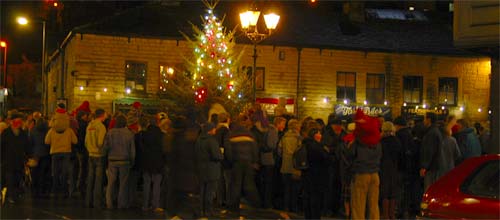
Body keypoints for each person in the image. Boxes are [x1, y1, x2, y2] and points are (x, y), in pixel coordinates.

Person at [348, 109, 382, 220]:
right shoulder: (377, 141)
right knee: (373, 206)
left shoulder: (359, 141)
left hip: (361, 173)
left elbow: (350, 154)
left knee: (358, 206)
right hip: (375, 174)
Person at [227, 116, 261, 214]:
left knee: (236, 184)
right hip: (248, 162)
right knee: (249, 184)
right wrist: (255, 161)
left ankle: (234, 206)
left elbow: (229, 151)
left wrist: (231, 161)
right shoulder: (249, 134)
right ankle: (255, 204)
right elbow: (255, 149)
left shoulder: (232, 135)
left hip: (237, 162)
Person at [104, 115, 135, 209]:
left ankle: (109, 203)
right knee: (123, 184)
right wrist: (132, 161)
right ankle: (121, 204)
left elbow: (106, 147)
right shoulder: (129, 133)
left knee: (111, 183)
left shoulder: (110, 132)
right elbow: (132, 150)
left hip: (112, 160)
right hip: (124, 161)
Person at [46, 106, 78, 198]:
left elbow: (46, 141)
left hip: (55, 152)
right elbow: (75, 141)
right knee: (64, 172)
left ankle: (55, 190)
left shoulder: (52, 130)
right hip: (66, 152)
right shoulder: (69, 130)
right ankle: (64, 191)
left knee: (55, 172)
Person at [302, 126, 331, 219]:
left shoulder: (306, 144)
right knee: (316, 198)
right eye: (318, 133)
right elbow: (325, 158)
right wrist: (327, 152)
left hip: (307, 174)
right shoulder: (316, 146)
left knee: (308, 196)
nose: (320, 135)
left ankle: (309, 216)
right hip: (316, 175)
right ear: (314, 135)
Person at [195, 122, 223, 217]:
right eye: (214, 128)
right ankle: (208, 211)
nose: (215, 130)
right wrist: (221, 154)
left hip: (201, 169)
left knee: (202, 191)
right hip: (212, 169)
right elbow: (217, 155)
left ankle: (201, 210)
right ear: (210, 130)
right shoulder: (212, 141)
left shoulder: (198, 140)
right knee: (210, 192)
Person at [394, 116, 419, 219]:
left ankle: (399, 210)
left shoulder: (398, 135)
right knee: (407, 190)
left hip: (401, 167)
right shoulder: (410, 135)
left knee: (399, 189)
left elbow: (398, 152)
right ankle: (405, 210)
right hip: (409, 167)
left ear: (398, 125)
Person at [1, 114, 30, 203]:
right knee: (10, 178)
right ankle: (11, 196)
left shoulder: (23, 133)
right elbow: (1, 146)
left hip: (19, 160)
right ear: (12, 122)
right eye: (17, 122)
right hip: (8, 160)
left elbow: (27, 146)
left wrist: (28, 156)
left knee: (18, 178)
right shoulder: (6, 133)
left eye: (20, 122)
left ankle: (14, 194)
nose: (19, 124)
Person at [259, 116, 286, 209]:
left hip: (265, 159)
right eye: (283, 124)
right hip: (269, 159)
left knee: (266, 182)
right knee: (268, 182)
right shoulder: (273, 131)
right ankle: (267, 203)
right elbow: (271, 145)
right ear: (278, 123)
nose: (284, 126)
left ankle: (265, 202)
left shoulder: (269, 130)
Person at [141, 116, 165, 212]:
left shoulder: (144, 134)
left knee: (146, 184)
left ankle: (145, 205)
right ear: (158, 123)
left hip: (146, 162)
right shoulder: (161, 135)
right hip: (158, 162)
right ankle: (155, 205)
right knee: (156, 184)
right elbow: (164, 150)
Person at [84, 108, 107, 208]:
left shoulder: (90, 125)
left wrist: (90, 149)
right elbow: (100, 142)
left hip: (90, 154)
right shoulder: (101, 127)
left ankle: (88, 200)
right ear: (102, 115)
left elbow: (85, 141)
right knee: (98, 180)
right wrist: (102, 150)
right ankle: (97, 202)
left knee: (90, 178)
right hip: (98, 155)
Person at [278, 119, 302, 212]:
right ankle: (294, 207)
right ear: (296, 127)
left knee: (287, 188)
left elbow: (279, 150)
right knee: (295, 189)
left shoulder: (284, 137)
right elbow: (300, 153)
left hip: (285, 166)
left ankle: (286, 207)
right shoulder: (298, 138)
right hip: (295, 167)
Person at [380, 122, 402, 219]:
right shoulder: (396, 141)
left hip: (383, 168)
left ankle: (385, 215)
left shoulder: (381, 141)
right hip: (394, 168)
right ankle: (392, 214)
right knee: (392, 192)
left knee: (385, 192)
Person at [420, 112, 443, 191]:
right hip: (434, 165)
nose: (424, 121)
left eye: (425, 118)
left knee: (429, 188)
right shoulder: (435, 131)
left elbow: (429, 150)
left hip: (431, 167)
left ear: (429, 120)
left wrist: (424, 166)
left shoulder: (431, 133)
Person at [30, 115, 50, 198]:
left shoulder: (33, 130)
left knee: (35, 173)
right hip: (45, 153)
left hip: (36, 153)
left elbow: (31, 142)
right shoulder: (47, 130)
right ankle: (42, 190)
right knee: (43, 173)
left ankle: (34, 190)